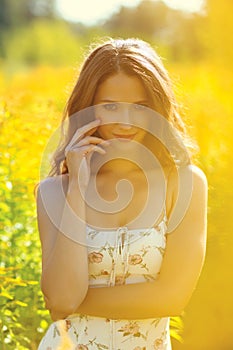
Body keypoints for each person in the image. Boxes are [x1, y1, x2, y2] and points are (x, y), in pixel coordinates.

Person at [36, 38, 208, 350]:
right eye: (111, 106)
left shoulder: (185, 184)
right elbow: (60, 297)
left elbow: (172, 298)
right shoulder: (54, 191)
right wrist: (77, 186)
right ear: (87, 108)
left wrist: (70, 302)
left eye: (140, 107)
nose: (126, 123)